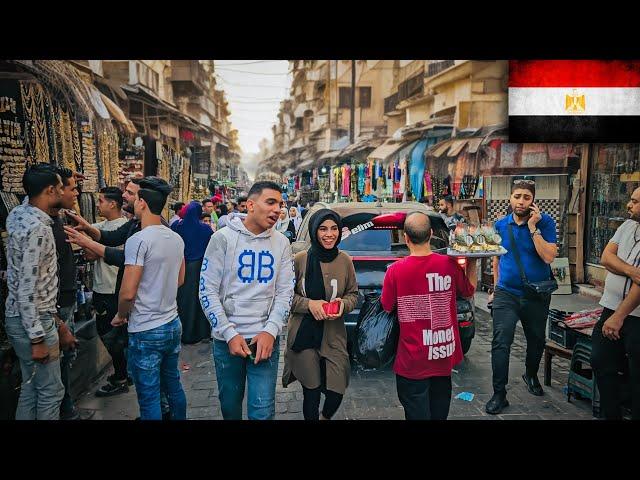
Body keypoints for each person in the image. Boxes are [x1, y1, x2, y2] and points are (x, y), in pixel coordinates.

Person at [63, 178, 172, 420]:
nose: (125, 197)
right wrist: (88, 229)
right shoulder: (139, 225)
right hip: (161, 316)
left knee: (150, 384)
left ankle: (157, 412)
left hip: (146, 318)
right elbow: (111, 237)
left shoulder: (146, 233)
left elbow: (124, 265)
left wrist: (122, 314)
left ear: (142, 200)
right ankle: (166, 411)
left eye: (130, 194)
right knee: (165, 379)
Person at [200, 181, 295, 420]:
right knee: (230, 408)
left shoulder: (282, 243)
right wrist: (229, 333)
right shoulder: (222, 239)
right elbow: (206, 291)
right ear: (251, 205)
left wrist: (270, 331)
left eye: (280, 204)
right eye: (270, 202)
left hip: (265, 342)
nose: (277, 209)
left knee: (262, 412)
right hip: (226, 342)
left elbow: (285, 292)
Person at [381, 212, 476, 420]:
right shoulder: (449, 264)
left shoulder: (395, 271)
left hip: (412, 360)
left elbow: (386, 306)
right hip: (442, 355)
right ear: (431, 234)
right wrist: (473, 261)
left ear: (405, 237)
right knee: (439, 413)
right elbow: (469, 290)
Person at [112, 177, 187, 420]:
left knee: (150, 396)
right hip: (172, 323)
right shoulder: (175, 237)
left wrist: (121, 315)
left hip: (145, 328)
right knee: (173, 386)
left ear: (142, 203)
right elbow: (180, 279)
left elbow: (128, 292)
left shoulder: (138, 240)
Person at [485, 179, 558, 415]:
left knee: (536, 340)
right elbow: (497, 258)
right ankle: (499, 394)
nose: (521, 201)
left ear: (533, 200)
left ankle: (531, 374)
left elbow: (548, 257)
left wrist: (533, 228)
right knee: (500, 342)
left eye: (527, 197)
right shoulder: (500, 225)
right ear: (510, 198)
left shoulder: (545, 222)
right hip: (506, 293)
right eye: (517, 196)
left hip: (536, 294)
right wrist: (496, 289)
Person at [4, 164, 70, 420]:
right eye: (61, 187)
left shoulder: (18, 214)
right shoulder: (39, 230)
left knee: (31, 388)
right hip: (34, 321)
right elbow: (28, 288)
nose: (65, 191)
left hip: (21, 317)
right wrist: (37, 339)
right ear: (50, 190)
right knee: (51, 391)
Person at [283, 209, 358, 420]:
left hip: (333, 335)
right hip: (304, 335)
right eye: (323, 229)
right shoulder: (300, 260)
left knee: (337, 388)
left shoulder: (345, 261)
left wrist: (342, 305)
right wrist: (309, 304)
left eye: (334, 229)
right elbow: (286, 297)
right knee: (312, 391)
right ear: (314, 231)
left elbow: (353, 294)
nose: (329, 234)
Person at [591, 186, 640, 420]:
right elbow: (606, 257)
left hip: (635, 316)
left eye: (635, 201)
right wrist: (631, 271)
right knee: (601, 360)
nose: (629, 205)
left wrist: (619, 317)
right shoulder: (628, 226)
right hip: (610, 307)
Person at [49, 166, 87, 420]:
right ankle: (65, 409)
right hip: (56, 307)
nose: (75, 193)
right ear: (56, 190)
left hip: (65, 300)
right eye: (71, 188)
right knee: (57, 366)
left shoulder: (58, 220)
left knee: (65, 360)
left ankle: (66, 406)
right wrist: (59, 323)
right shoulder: (44, 226)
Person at [86, 187, 130, 397]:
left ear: (113, 204)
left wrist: (97, 246)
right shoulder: (98, 227)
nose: (98, 204)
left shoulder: (126, 228)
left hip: (114, 289)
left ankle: (121, 377)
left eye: (101, 201)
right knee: (110, 335)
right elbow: (89, 255)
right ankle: (123, 373)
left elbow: (97, 252)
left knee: (112, 337)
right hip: (101, 287)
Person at [171, 201, 213, 344]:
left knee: (183, 301)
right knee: (199, 300)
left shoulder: (177, 226)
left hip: (181, 267)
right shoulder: (205, 229)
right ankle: (201, 333)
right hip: (201, 268)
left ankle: (185, 333)